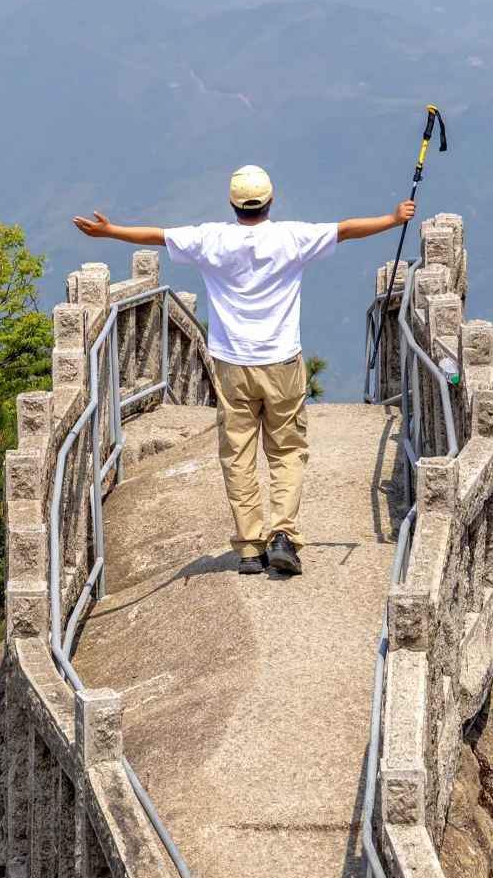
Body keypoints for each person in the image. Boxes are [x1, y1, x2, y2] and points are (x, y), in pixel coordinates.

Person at [74, 166, 415, 577]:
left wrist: (110, 232)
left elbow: (157, 236)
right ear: (270, 201)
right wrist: (394, 219)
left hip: (231, 363)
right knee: (287, 449)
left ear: (233, 204)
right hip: (282, 360)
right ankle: (284, 535)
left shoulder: (211, 239)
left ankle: (250, 548)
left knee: (238, 454)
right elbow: (345, 230)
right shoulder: (292, 237)